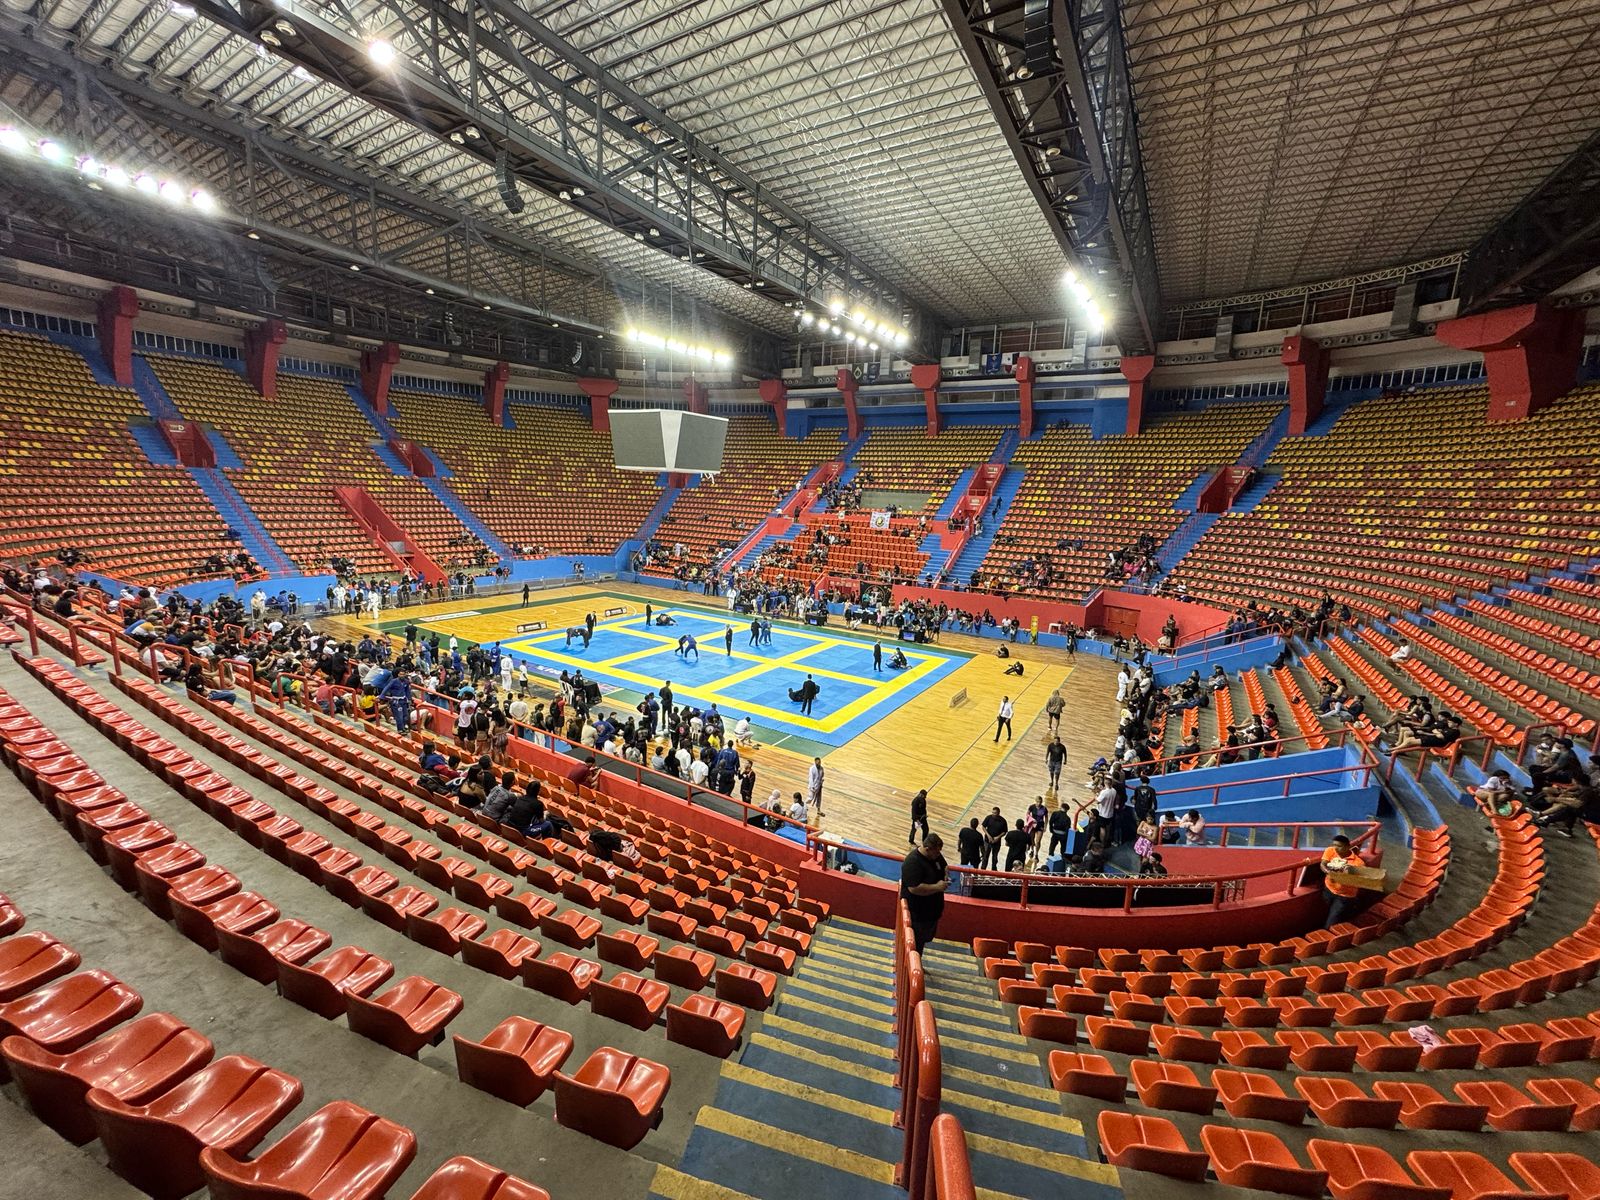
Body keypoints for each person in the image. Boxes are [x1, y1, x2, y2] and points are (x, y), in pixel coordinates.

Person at [899, 834, 948, 954]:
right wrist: (937, 887)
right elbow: (914, 888)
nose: (938, 854)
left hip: (931, 913)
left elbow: (944, 865)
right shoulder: (912, 862)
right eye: (936, 852)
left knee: (924, 939)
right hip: (918, 915)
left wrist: (946, 875)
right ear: (927, 849)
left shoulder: (935, 855)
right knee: (917, 944)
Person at [1320, 835, 1364, 928]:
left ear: (1348, 847)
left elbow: (1359, 882)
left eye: (1339, 846)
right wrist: (1328, 872)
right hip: (1328, 889)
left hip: (1344, 896)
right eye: (1334, 845)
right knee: (1323, 914)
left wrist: (1343, 876)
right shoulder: (1330, 850)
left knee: (1331, 922)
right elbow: (1323, 864)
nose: (1336, 848)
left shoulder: (1358, 863)